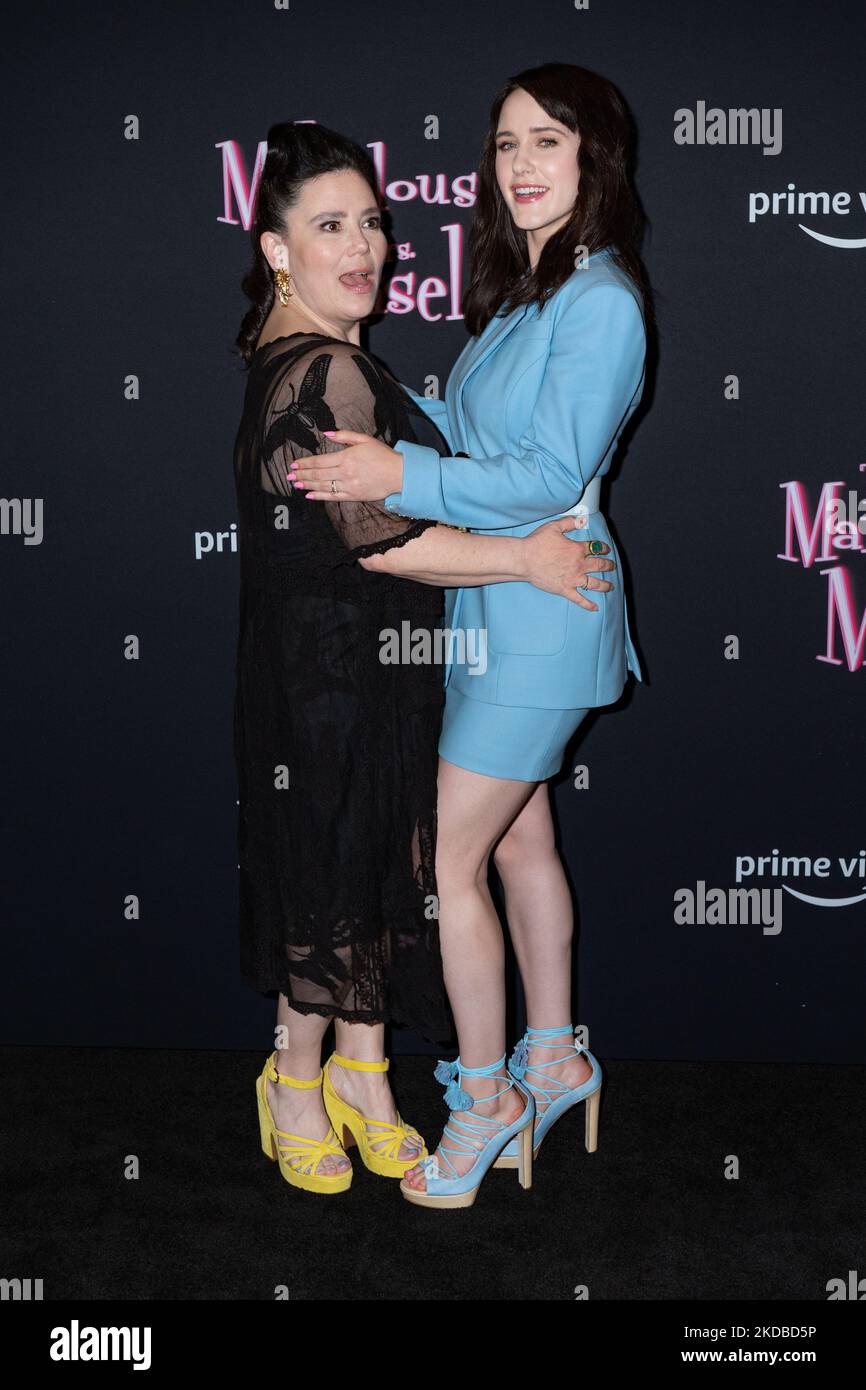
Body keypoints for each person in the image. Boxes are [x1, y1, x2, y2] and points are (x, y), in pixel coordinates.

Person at [287, 65, 654, 1207]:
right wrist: (371, 411)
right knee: (519, 845)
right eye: (504, 146)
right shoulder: (528, 295)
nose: (521, 166)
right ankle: (554, 1059)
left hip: (546, 616)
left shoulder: (600, 300)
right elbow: (468, 428)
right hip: (496, 612)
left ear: (595, 157)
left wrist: (403, 468)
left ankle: (485, 1099)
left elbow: (543, 473)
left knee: (438, 859)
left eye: (547, 141)